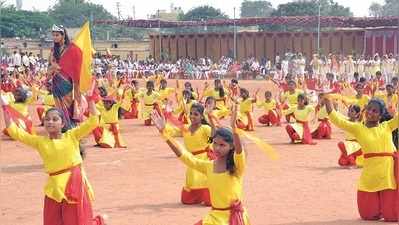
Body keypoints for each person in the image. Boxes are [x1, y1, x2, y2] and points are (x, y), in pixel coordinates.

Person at [0, 93, 106, 225]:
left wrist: (90, 100)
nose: (50, 122)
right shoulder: (40, 142)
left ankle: (97, 222)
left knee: (75, 221)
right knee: (52, 221)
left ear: (62, 124)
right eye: (47, 119)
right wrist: (5, 107)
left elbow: (94, 121)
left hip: (73, 183)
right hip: (54, 186)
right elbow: (14, 131)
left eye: (55, 119)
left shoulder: (71, 135)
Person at [151, 103, 251, 225]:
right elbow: (185, 157)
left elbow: (240, 152)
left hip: (232, 218)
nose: (217, 148)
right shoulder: (208, 166)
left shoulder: (236, 166)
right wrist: (164, 133)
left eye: (222, 145)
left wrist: (234, 130)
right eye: (215, 143)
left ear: (231, 147)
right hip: (215, 217)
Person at [325, 97, 398, 222]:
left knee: (392, 216)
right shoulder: (358, 128)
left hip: (387, 172)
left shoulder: (387, 126)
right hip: (370, 172)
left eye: (375, 111)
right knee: (368, 215)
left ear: (380, 115)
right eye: (369, 109)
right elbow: (338, 121)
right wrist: (327, 102)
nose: (370, 112)